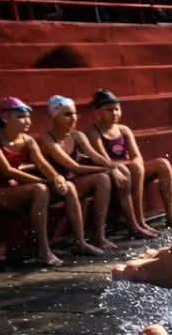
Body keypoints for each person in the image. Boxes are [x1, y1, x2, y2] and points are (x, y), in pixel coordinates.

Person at [0, 97, 106, 265]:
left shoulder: (28, 140)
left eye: (28, 117)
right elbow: (7, 171)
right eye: (20, 117)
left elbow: (42, 164)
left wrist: (57, 177)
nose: (27, 121)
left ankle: (80, 242)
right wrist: (46, 181)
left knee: (68, 186)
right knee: (40, 189)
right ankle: (43, 250)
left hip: (19, 188)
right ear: (5, 118)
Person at [87, 89, 172, 233]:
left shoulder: (123, 130)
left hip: (131, 170)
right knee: (133, 168)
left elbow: (136, 156)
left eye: (117, 109)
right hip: (112, 173)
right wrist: (133, 167)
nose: (114, 113)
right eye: (109, 110)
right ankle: (138, 222)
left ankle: (171, 216)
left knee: (162, 164)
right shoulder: (93, 131)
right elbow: (104, 160)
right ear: (98, 112)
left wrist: (136, 165)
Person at [37, 95, 117, 252]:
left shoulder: (77, 135)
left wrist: (115, 167)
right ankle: (80, 242)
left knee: (103, 179)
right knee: (102, 175)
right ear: (54, 117)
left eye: (74, 113)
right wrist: (108, 169)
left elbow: (96, 156)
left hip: (72, 183)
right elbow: (74, 167)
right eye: (67, 114)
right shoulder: (47, 139)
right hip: (55, 186)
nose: (73, 118)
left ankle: (99, 236)